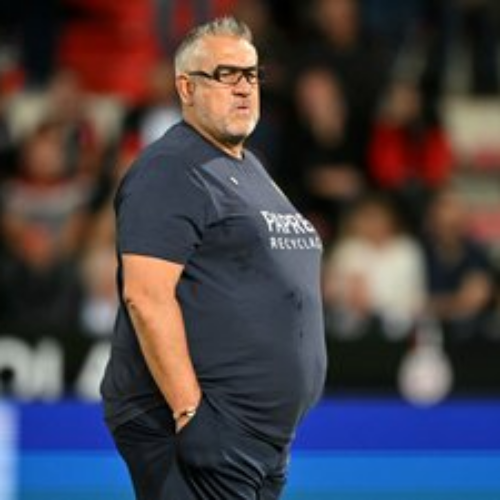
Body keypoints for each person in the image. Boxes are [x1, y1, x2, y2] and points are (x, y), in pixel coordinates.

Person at [100, 16, 327, 500]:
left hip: (256, 437)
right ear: (186, 87)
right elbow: (146, 296)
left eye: (251, 74)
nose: (244, 88)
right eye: (226, 75)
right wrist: (190, 413)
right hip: (197, 427)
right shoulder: (171, 168)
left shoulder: (249, 166)